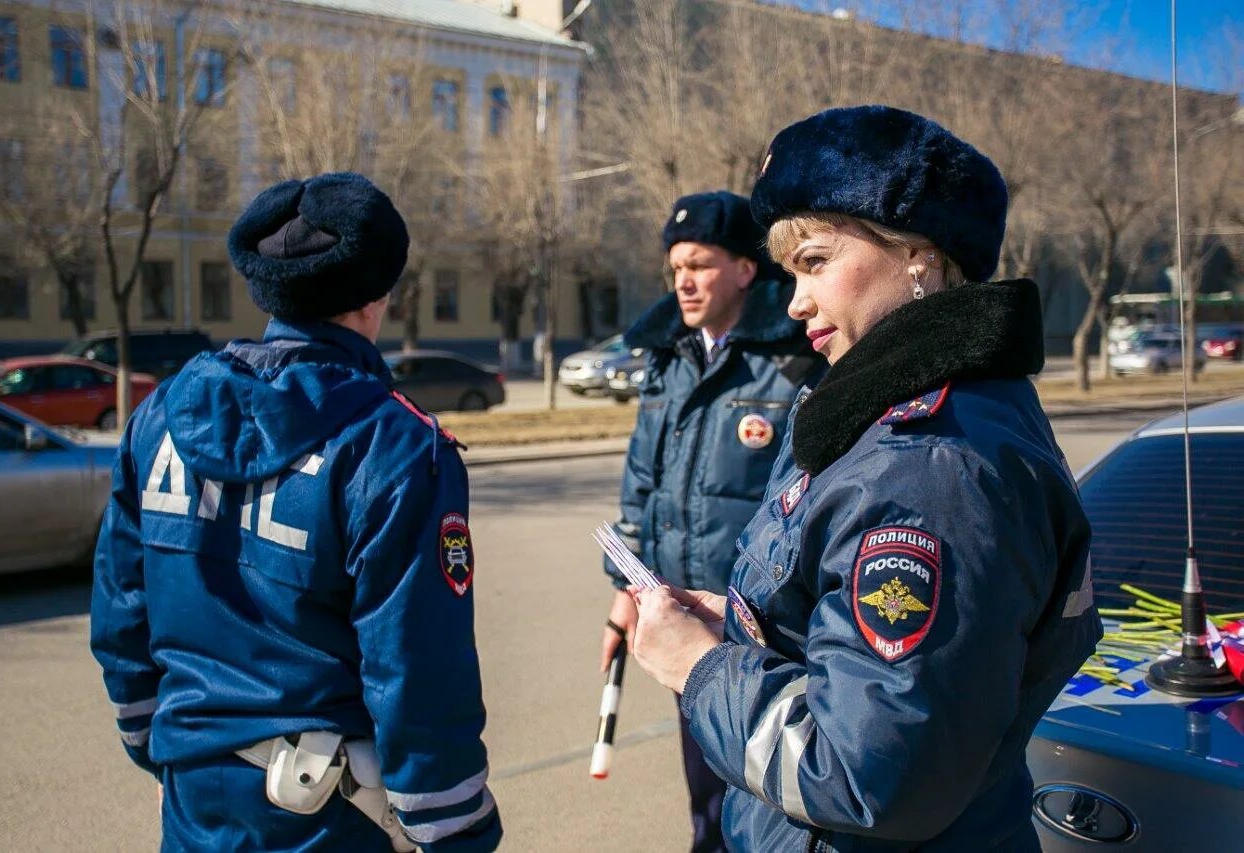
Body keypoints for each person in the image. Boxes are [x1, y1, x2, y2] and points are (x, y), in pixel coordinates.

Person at [628, 106, 1102, 851]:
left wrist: (701, 665)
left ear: (919, 253)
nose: (795, 302)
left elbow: (864, 774)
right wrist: (744, 629)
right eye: (790, 273)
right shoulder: (882, 416)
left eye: (814, 261)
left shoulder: (930, 464)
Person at [90, 172, 501, 851]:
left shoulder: (159, 414)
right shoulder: (395, 446)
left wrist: (154, 736)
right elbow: (416, 662)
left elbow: (121, 605)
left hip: (194, 791)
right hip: (329, 815)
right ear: (379, 294)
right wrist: (453, 826)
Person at [600, 190, 822, 852]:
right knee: (705, 790)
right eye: (675, 269)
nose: (684, 282)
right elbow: (643, 480)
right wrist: (626, 593)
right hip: (676, 611)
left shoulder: (792, 358)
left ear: (746, 270)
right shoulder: (668, 355)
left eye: (699, 264)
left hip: (755, 625)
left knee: (764, 796)